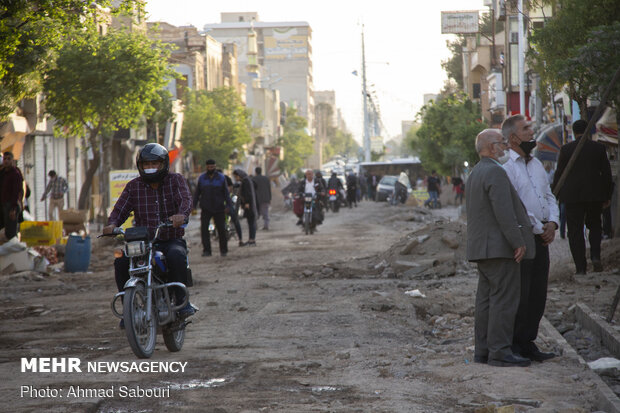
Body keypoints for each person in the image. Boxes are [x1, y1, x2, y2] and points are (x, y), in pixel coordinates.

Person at [103, 143, 195, 322]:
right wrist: (112, 224)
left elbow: (186, 200)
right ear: (140, 166)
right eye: (146, 164)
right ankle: (128, 310)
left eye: (154, 164)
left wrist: (181, 216)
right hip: (142, 243)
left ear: (163, 164)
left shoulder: (175, 180)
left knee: (177, 256)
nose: (150, 168)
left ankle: (183, 302)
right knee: (121, 262)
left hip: (170, 239)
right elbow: (120, 210)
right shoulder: (133, 186)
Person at [466, 129, 535, 367]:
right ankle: (500, 352)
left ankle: (483, 351)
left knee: (486, 301)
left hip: (482, 249)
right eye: (501, 143)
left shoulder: (476, 171)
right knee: (504, 300)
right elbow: (504, 213)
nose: (505, 146)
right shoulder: (495, 171)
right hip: (499, 248)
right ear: (490, 147)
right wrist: (518, 241)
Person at [502, 115, 559, 362]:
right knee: (522, 294)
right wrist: (540, 228)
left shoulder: (536, 165)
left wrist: (553, 223)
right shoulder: (506, 169)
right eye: (526, 129)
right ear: (513, 137)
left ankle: (528, 343)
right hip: (524, 239)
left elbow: (549, 196)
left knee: (538, 293)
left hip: (542, 237)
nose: (531, 131)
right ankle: (515, 345)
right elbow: (518, 207)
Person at [552, 119, 613, 274]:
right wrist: (607, 195)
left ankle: (580, 267)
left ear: (573, 132)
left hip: (572, 197)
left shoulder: (566, 149)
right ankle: (595, 256)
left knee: (575, 231)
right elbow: (607, 174)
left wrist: (555, 194)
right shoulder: (598, 148)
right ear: (589, 131)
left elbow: (559, 173)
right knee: (595, 227)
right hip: (594, 195)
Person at [193, 159, 233, 257]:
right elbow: (197, 193)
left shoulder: (221, 178)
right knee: (204, 230)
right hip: (206, 208)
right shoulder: (202, 178)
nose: (211, 168)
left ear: (215, 166)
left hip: (219, 208)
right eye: (209, 167)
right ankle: (207, 250)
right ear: (206, 167)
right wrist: (193, 206)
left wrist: (228, 205)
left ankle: (223, 250)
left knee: (221, 230)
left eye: (213, 167)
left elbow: (226, 193)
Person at [0, 151, 24, 240]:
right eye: (5, 159)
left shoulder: (15, 174)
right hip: (4, 204)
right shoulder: (3, 173)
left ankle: (14, 251)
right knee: (6, 231)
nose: (6, 161)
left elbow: (16, 192)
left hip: (11, 205)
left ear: (12, 160)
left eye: (8, 159)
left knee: (11, 233)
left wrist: (13, 209)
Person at [232, 169, 257, 246]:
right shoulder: (246, 180)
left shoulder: (246, 181)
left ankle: (251, 240)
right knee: (251, 222)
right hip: (250, 204)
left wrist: (246, 202)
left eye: (236, 177)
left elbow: (247, 192)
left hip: (249, 205)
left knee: (251, 222)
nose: (236, 179)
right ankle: (251, 239)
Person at [221, 169, 244, 246]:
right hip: (220, 206)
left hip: (229, 205)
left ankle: (240, 239)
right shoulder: (216, 181)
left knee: (235, 221)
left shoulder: (225, 179)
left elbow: (231, 190)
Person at [253, 167, 272, 231]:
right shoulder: (266, 178)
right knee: (266, 213)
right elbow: (269, 189)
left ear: (255, 172)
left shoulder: (254, 179)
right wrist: (269, 198)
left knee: (255, 213)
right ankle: (266, 226)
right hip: (265, 198)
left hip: (256, 199)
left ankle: (255, 227)